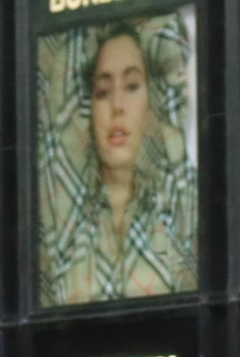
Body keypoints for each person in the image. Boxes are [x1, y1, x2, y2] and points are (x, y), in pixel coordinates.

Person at [39, 17, 195, 305]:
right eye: (103, 92)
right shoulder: (63, 205)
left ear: (152, 101)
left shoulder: (181, 196)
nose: (117, 106)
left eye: (132, 86)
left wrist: (129, 13)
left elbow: (169, 45)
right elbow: (60, 40)